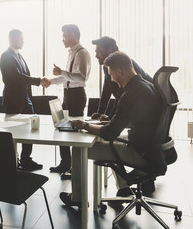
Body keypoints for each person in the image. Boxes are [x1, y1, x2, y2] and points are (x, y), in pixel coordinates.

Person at [60, 51, 165, 209]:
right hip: (153, 149)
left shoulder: (130, 94)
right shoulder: (147, 86)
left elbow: (109, 133)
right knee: (110, 141)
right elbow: (142, 120)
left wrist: (85, 125)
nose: (113, 80)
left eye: (111, 75)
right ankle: (124, 189)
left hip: (140, 152)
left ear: (119, 72)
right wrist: (112, 122)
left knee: (78, 148)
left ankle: (78, 197)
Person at [43, 24, 91, 179]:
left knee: (75, 133)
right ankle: (65, 163)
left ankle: (75, 169)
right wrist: (52, 80)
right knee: (61, 127)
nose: (62, 39)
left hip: (77, 95)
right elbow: (68, 76)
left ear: (74, 36)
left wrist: (62, 72)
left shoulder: (82, 53)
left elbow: (81, 77)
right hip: (67, 94)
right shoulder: (72, 53)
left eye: (65, 36)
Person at [0, 29, 49, 170]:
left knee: (30, 131)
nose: (23, 41)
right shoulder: (6, 56)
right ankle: (13, 162)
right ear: (13, 39)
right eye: (21, 38)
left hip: (25, 100)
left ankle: (26, 159)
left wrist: (30, 98)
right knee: (13, 132)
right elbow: (17, 77)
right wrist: (39, 81)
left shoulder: (18, 56)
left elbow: (24, 78)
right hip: (13, 100)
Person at [91, 36, 153, 121]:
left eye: (99, 52)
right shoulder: (108, 66)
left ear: (109, 50)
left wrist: (110, 118)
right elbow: (106, 90)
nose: (96, 56)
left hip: (144, 110)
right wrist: (100, 113)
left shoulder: (121, 64)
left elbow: (122, 94)